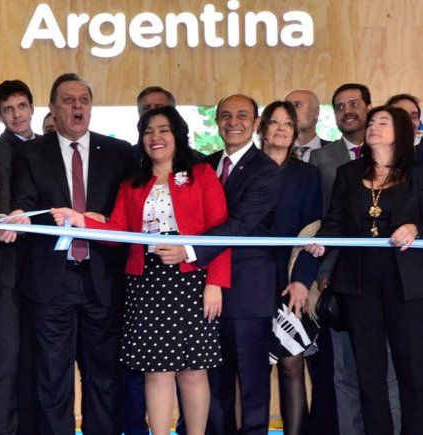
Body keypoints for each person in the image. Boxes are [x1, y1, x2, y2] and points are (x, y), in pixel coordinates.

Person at [51, 106, 229, 435]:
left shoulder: (201, 174)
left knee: (193, 371)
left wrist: (215, 283)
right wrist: (79, 220)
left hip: (193, 280)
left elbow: (220, 232)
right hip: (147, 284)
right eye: (148, 132)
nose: (155, 138)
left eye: (163, 130)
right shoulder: (133, 183)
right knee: (156, 371)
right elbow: (118, 232)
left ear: (177, 135)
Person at [11, 73, 135, 435]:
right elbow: (25, 205)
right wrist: (18, 215)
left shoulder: (119, 152)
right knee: (52, 378)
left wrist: (103, 220)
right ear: (52, 108)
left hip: (103, 279)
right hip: (52, 281)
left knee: (104, 376)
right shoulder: (31, 153)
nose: (77, 107)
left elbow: (130, 212)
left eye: (83, 100)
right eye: (68, 101)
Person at [304, 105, 423, 435]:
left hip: (407, 284)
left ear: (400, 132)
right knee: (369, 373)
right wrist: (323, 243)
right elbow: (335, 221)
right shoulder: (348, 173)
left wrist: (415, 228)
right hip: (358, 283)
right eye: (372, 122)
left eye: (383, 122)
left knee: (413, 371)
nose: (373, 126)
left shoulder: (418, 172)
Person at [169, 94, 281, 435]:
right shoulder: (204, 165)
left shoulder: (266, 170)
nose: (233, 122)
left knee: (252, 384)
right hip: (203, 288)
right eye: (226, 116)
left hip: (248, 291)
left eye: (242, 116)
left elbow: (241, 224)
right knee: (213, 382)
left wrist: (189, 249)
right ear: (217, 121)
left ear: (256, 123)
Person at [258, 101, 324, 435]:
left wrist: (301, 280)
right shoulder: (246, 169)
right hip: (249, 279)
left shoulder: (307, 175)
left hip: (290, 279)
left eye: (288, 123)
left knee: (291, 361)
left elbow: (314, 230)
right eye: (274, 122)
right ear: (262, 129)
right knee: (251, 366)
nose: (281, 129)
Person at [0, 79, 40, 435]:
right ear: (0, 115)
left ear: (32, 108)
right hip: (8, 268)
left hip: (46, 268)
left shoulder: (49, 146)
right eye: (8, 109)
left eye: (22, 106)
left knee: (41, 358)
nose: (17, 115)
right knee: (7, 358)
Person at [284, 89, 328, 162]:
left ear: (316, 112)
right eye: (287, 107)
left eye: (297, 105)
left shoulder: (338, 152)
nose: (291, 111)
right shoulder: (272, 153)